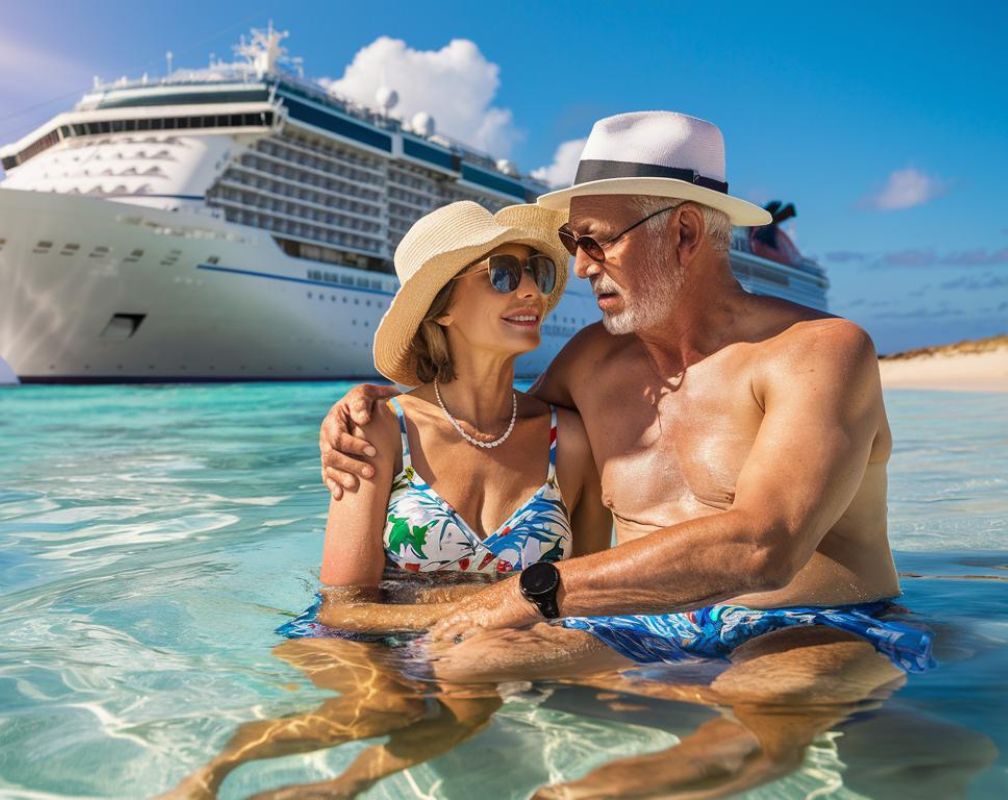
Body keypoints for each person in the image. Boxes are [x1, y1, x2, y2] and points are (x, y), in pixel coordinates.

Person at [318, 111, 937, 796]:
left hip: (815, 627)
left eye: (595, 242)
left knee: (726, 723)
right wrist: (371, 408)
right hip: (647, 627)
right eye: (572, 243)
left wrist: (535, 591)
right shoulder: (592, 361)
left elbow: (767, 544)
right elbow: (487, 420)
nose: (576, 268)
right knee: (468, 659)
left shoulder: (819, 353)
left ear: (684, 231)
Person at [162, 201, 612, 799]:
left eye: (539, 272)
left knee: (480, 673)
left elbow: (586, 593)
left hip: (492, 647)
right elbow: (342, 606)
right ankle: (207, 777)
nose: (531, 288)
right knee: (384, 710)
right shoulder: (381, 429)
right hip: (367, 637)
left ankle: (339, 789)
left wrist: (491, 629)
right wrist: (473, 613)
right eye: (503, 273)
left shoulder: (571, 440)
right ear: (442, 307)